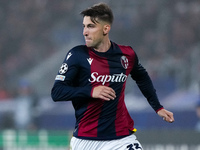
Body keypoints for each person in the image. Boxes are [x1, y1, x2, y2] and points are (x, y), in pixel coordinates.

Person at [51, 3, 174, 150]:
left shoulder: (126, 54)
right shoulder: (77, 55)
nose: (84, 32)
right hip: (86, 141)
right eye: (84, 26)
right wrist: (91, 91)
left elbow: (142, 77)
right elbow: (57, 92)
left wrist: (157, 107)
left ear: (105, 29)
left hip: (121, 138)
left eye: (90, 26)